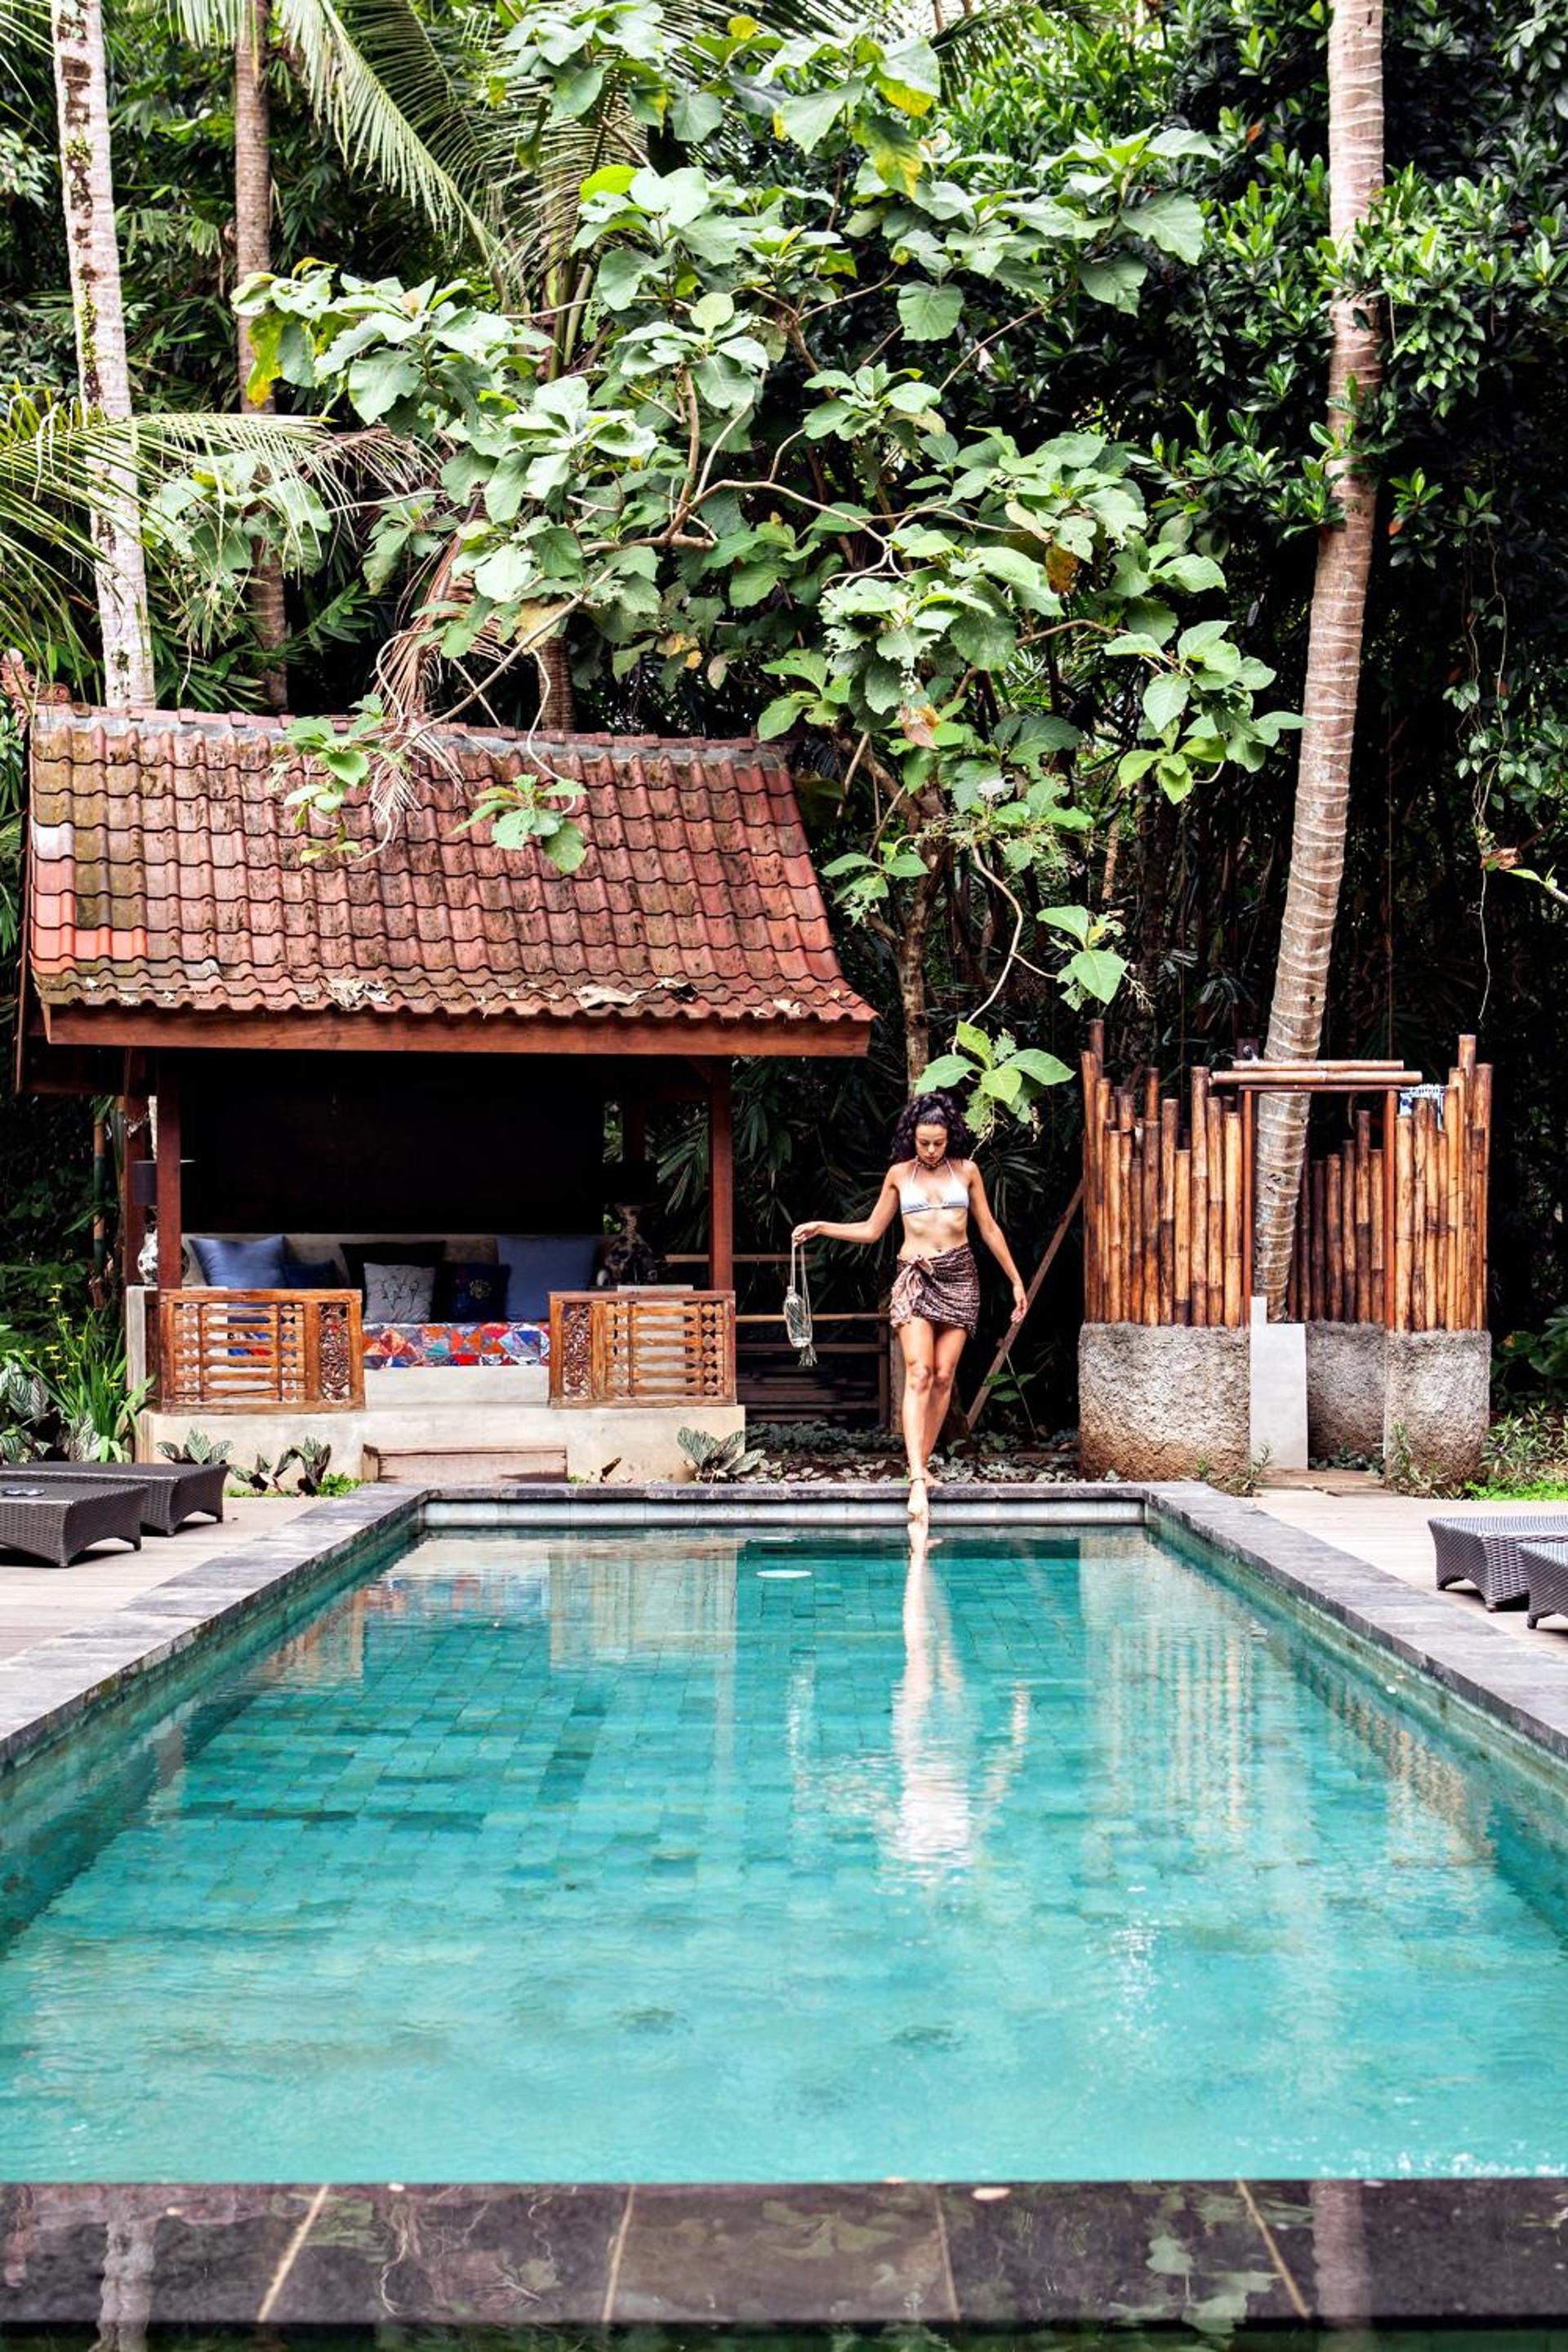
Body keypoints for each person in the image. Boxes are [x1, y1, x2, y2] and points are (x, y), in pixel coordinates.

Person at [791, 1089, 1027, 1517]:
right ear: (912, 1138)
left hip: (959, 1277)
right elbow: (871, 1230)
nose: (932, 1150)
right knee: (919, 1372)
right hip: (915, 1278)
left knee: (943, 1375)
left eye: (938, 1142)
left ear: (950, 1136)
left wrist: (1015, 1281)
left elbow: (989, 1229)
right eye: (924, 1143)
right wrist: (823, 1227)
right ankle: (917, 1478)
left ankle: (923, 1463)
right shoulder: (900, 1175)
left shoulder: (968, 1171)